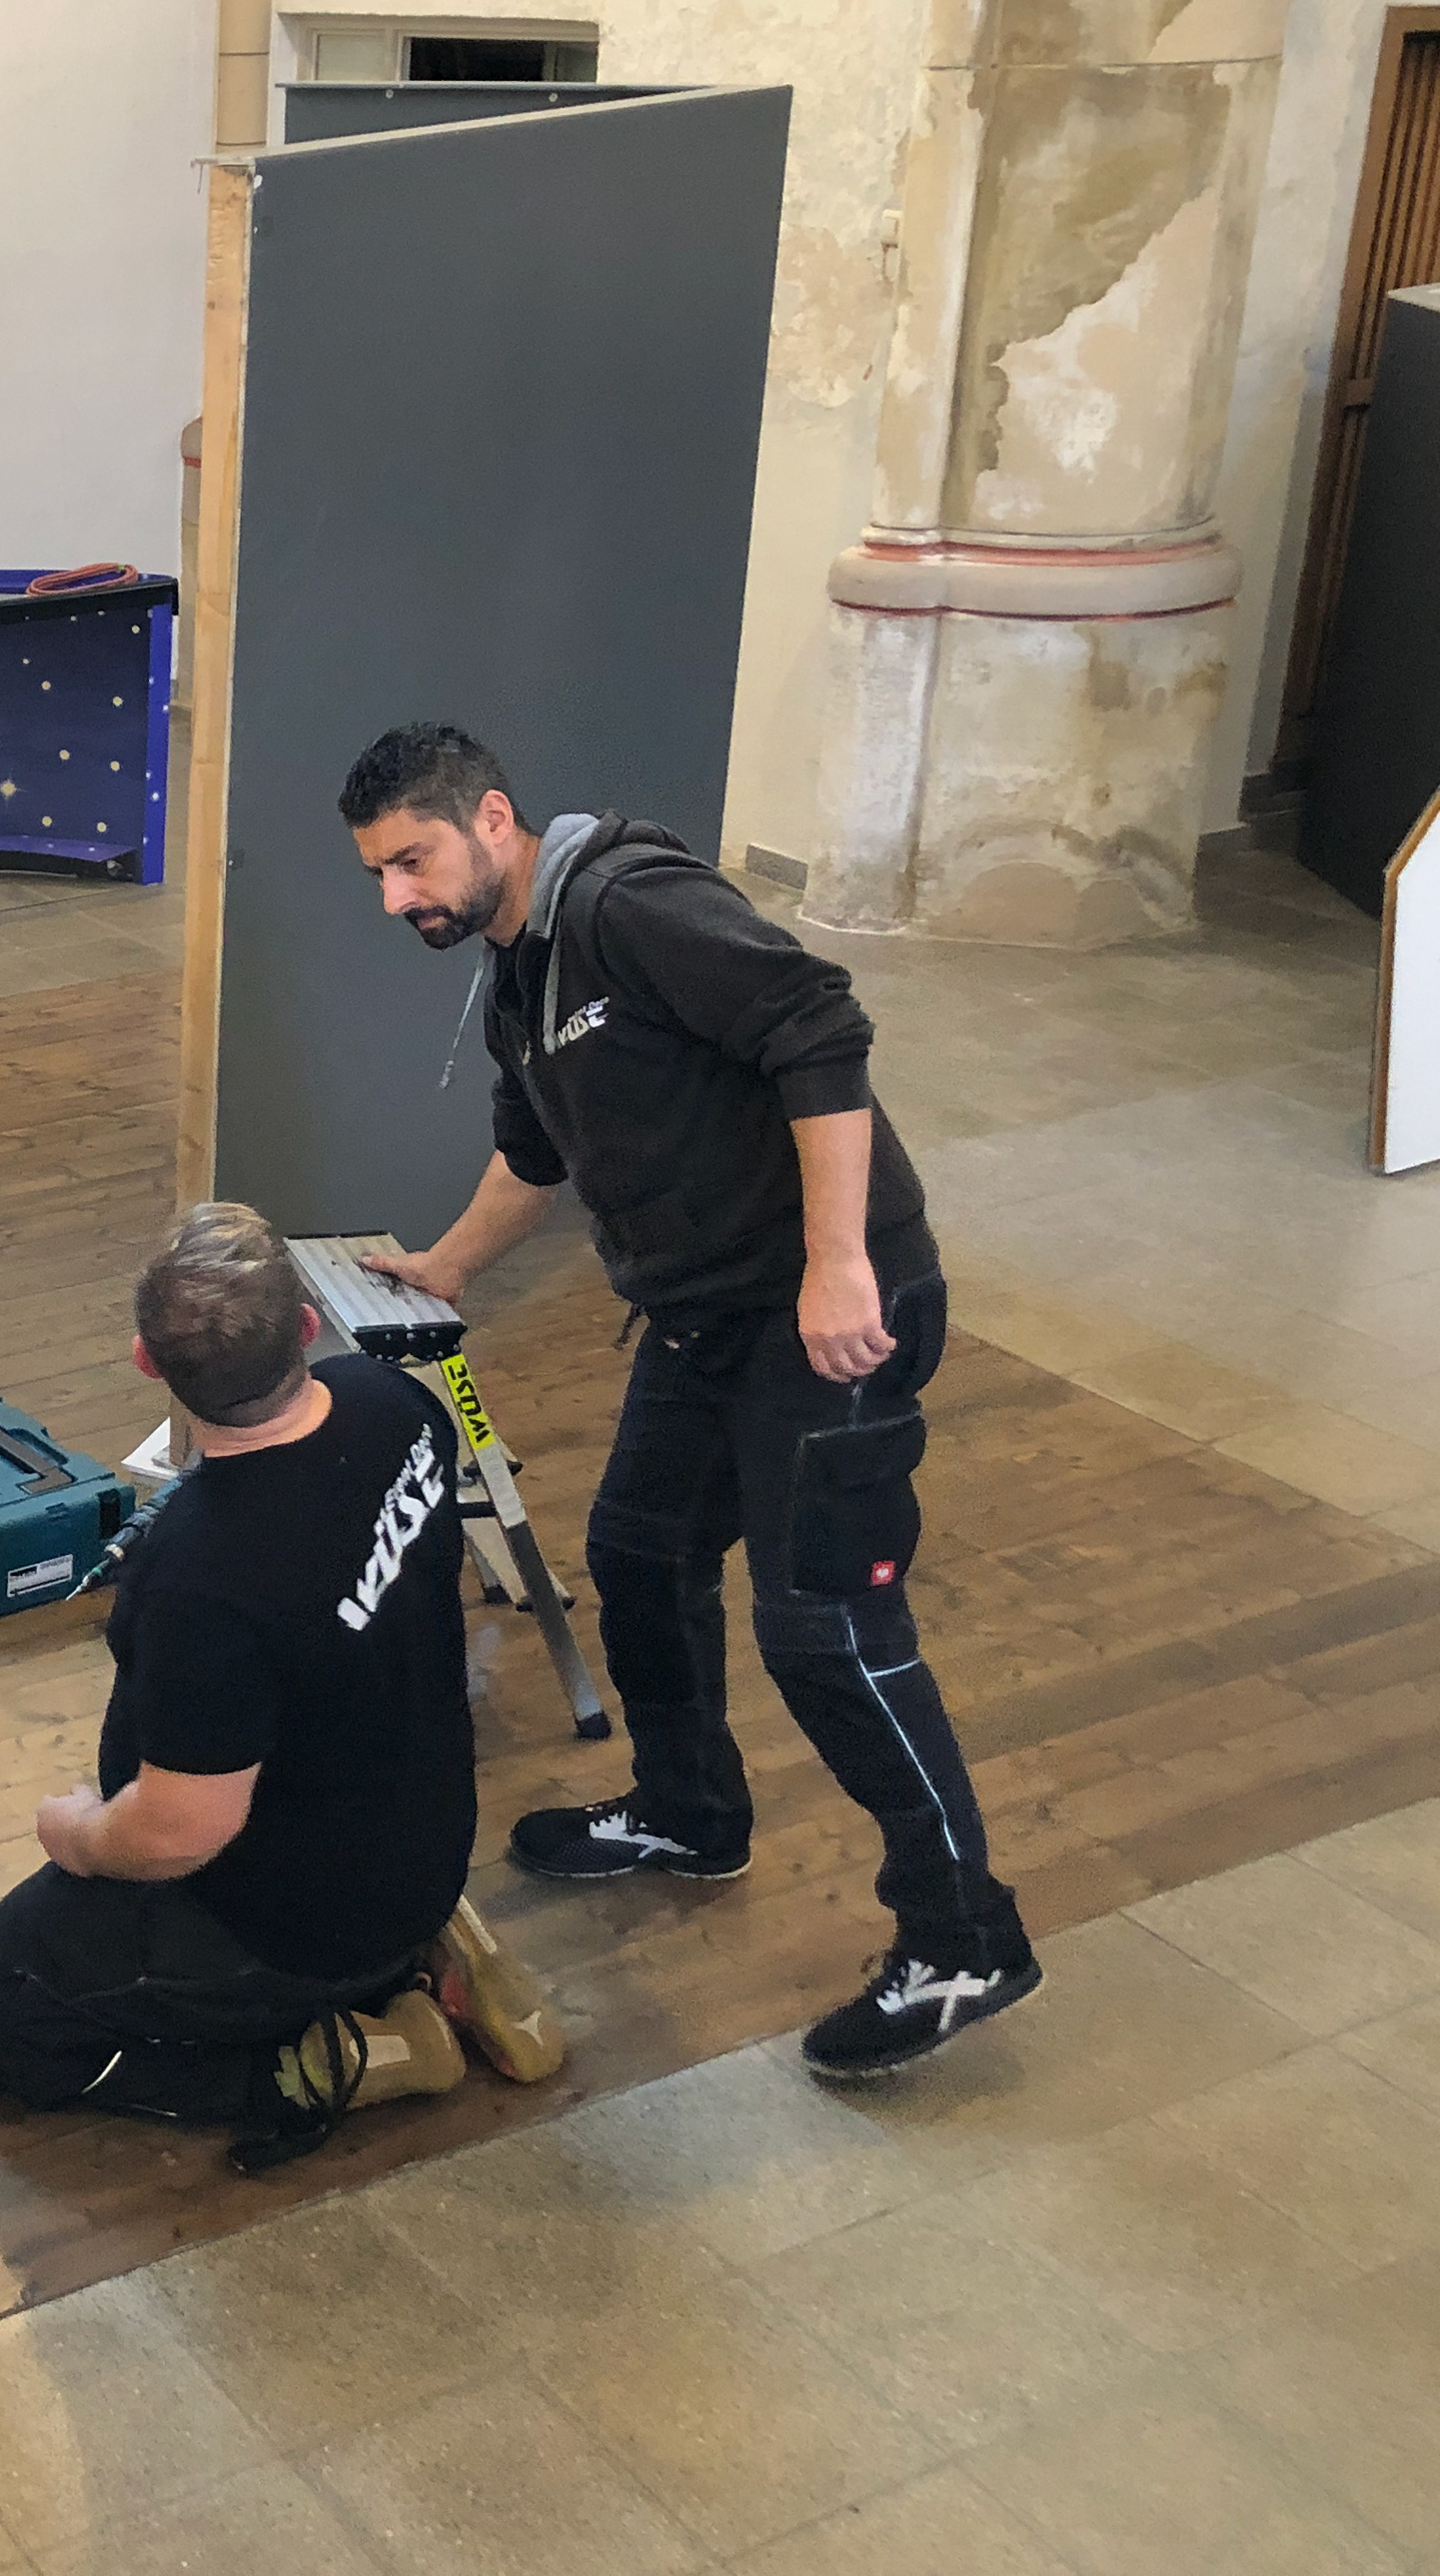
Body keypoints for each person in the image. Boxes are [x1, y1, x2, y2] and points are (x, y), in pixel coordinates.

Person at [342, 722, 1039, 2075]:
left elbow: (819, 1026)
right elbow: (535, 1154)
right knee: (640, 1554)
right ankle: (691, 1811)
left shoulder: (629, 905)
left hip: (827, 1314)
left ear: (493, 821)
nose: (395, 897)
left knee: (827, 1632)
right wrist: (445, 1268)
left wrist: (839, 1263)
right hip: (706, 1317)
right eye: (377, 873)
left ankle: (965, 1936)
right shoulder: (518, 973)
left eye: (412, 861)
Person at [0, 1201, 566, 2173]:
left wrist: (81, 1834)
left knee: (0, 2007)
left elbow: (181, 1833)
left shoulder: (199, 1578)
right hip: (425, 1839)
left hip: (292, 1925)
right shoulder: (394, 1405)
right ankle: (436, 1942)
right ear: (308, 1328)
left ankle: (342, 2058)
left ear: (147, 1363)